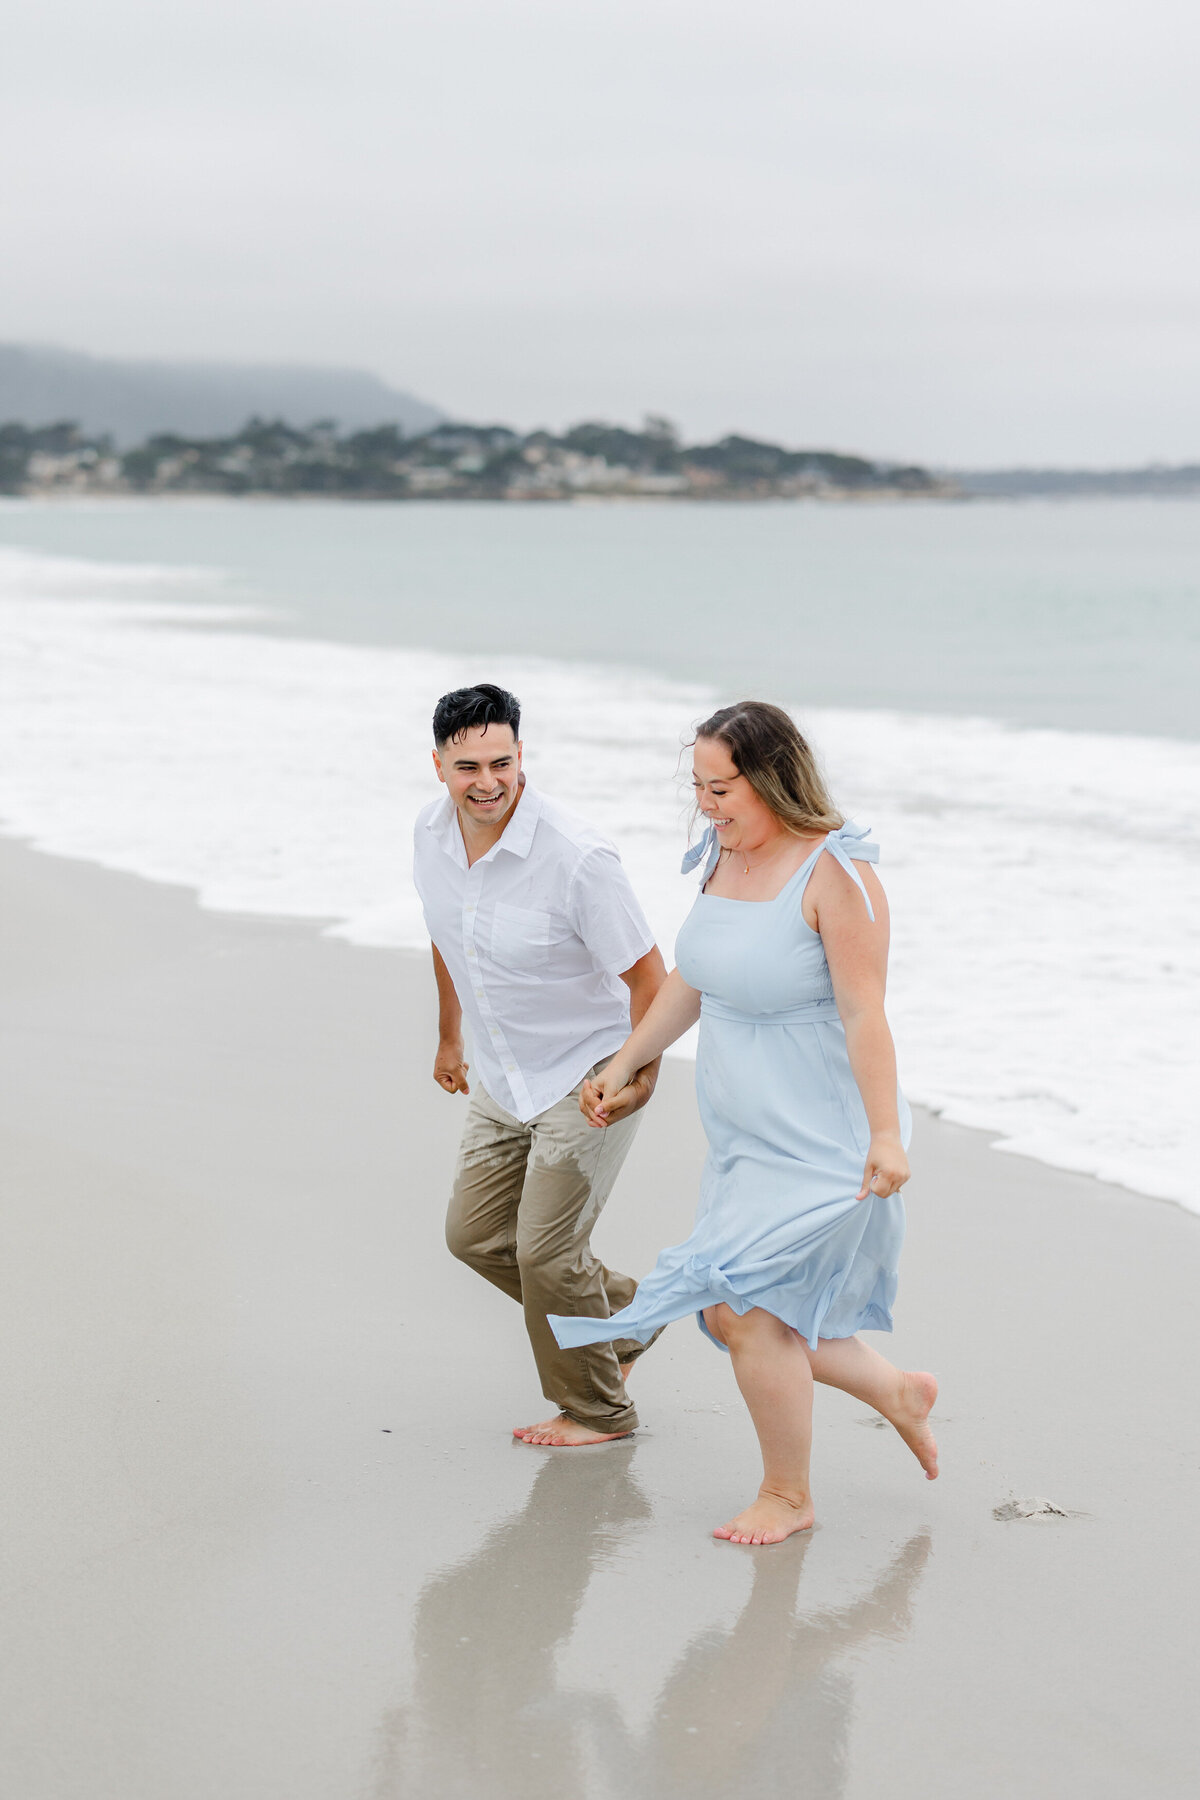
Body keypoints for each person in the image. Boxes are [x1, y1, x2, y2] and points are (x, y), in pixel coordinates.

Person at [550, 700, 938, 1541]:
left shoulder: (837, 874)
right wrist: (623, 1062)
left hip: (824, 1136)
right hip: (744, 1138)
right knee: (731, 1312)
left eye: (720, 788)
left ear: (771, 779)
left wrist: (885, 1135)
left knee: (751, 1312)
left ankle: (788, 1496)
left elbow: (866, 1014)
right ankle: (897, 1392)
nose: (706, 805)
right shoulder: (723, 856)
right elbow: (695, 978)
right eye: (697, 786)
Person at [413, 683, 667, 1447]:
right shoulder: (430, 835)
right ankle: (626, 1317)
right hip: (503, 1071)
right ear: (438, 765)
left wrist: (636, 1079)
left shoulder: (578, 857)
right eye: (467, 767)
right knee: (473, 1236)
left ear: (522, 755)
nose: (487, 782)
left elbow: (650, 982)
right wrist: (449, 1037)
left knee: (547, 1255)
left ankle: (597, 1410)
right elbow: (447, 933)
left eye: (502, 762)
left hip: (589, 1071)